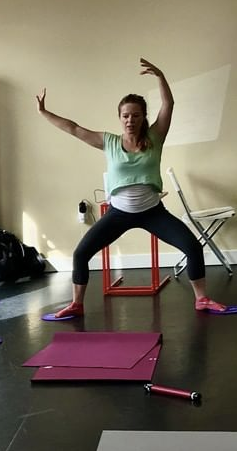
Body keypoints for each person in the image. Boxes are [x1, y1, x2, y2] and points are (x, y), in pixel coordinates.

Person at [37, 58, 231, 319]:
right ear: (120, 118)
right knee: (81, 253)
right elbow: (73, 128)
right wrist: (44, 113)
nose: (130, 120)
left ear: (143, 118)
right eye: (126, 115)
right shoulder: (109, 142)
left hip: (153, 212)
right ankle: (76, 304)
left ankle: (202, 299)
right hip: (118, 213)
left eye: (136, 115)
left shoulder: (155, 137)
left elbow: (168, 105)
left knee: (192, 247)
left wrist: (161, 76)